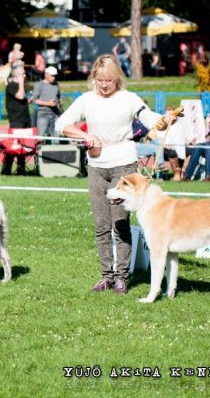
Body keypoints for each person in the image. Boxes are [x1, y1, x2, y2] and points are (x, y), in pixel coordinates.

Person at [54, 54, 172, 295]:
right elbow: (62, 124)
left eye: (108, 80)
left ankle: (122, 277)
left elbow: (148, 118)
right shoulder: (86, 99)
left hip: (124, 166)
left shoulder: (129, 99)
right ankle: (106, 276)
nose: (103, 85)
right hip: (96, 167)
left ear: (117, 78)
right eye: (99, 80)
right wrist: (84, 136)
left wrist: (164, 120)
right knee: (101, 225)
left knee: (120, 224)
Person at [2, 66, 31, 175]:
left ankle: (21, 169)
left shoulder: (19, 86)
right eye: (22, 74)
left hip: (25, 120)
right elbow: (19, 96)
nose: (25, 75)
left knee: (23, 146)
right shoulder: (12, 86)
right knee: (13, 147)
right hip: (16, 121)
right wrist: (21, 83)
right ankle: (6, 170)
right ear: (17, 75)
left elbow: (22, 100)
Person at [31, 66, 61, 144]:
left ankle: (56, 154)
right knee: (40, 137)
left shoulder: (56, 85)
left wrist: (59, 105)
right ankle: (39, 153)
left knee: (56, 137)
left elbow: (59, 97)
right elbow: (35, 100)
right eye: (52, 75)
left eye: (55, 75)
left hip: (55, 114)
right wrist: (48, 104)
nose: (54, 77)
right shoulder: (39, 84)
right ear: (46, 75)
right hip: (43, 114)